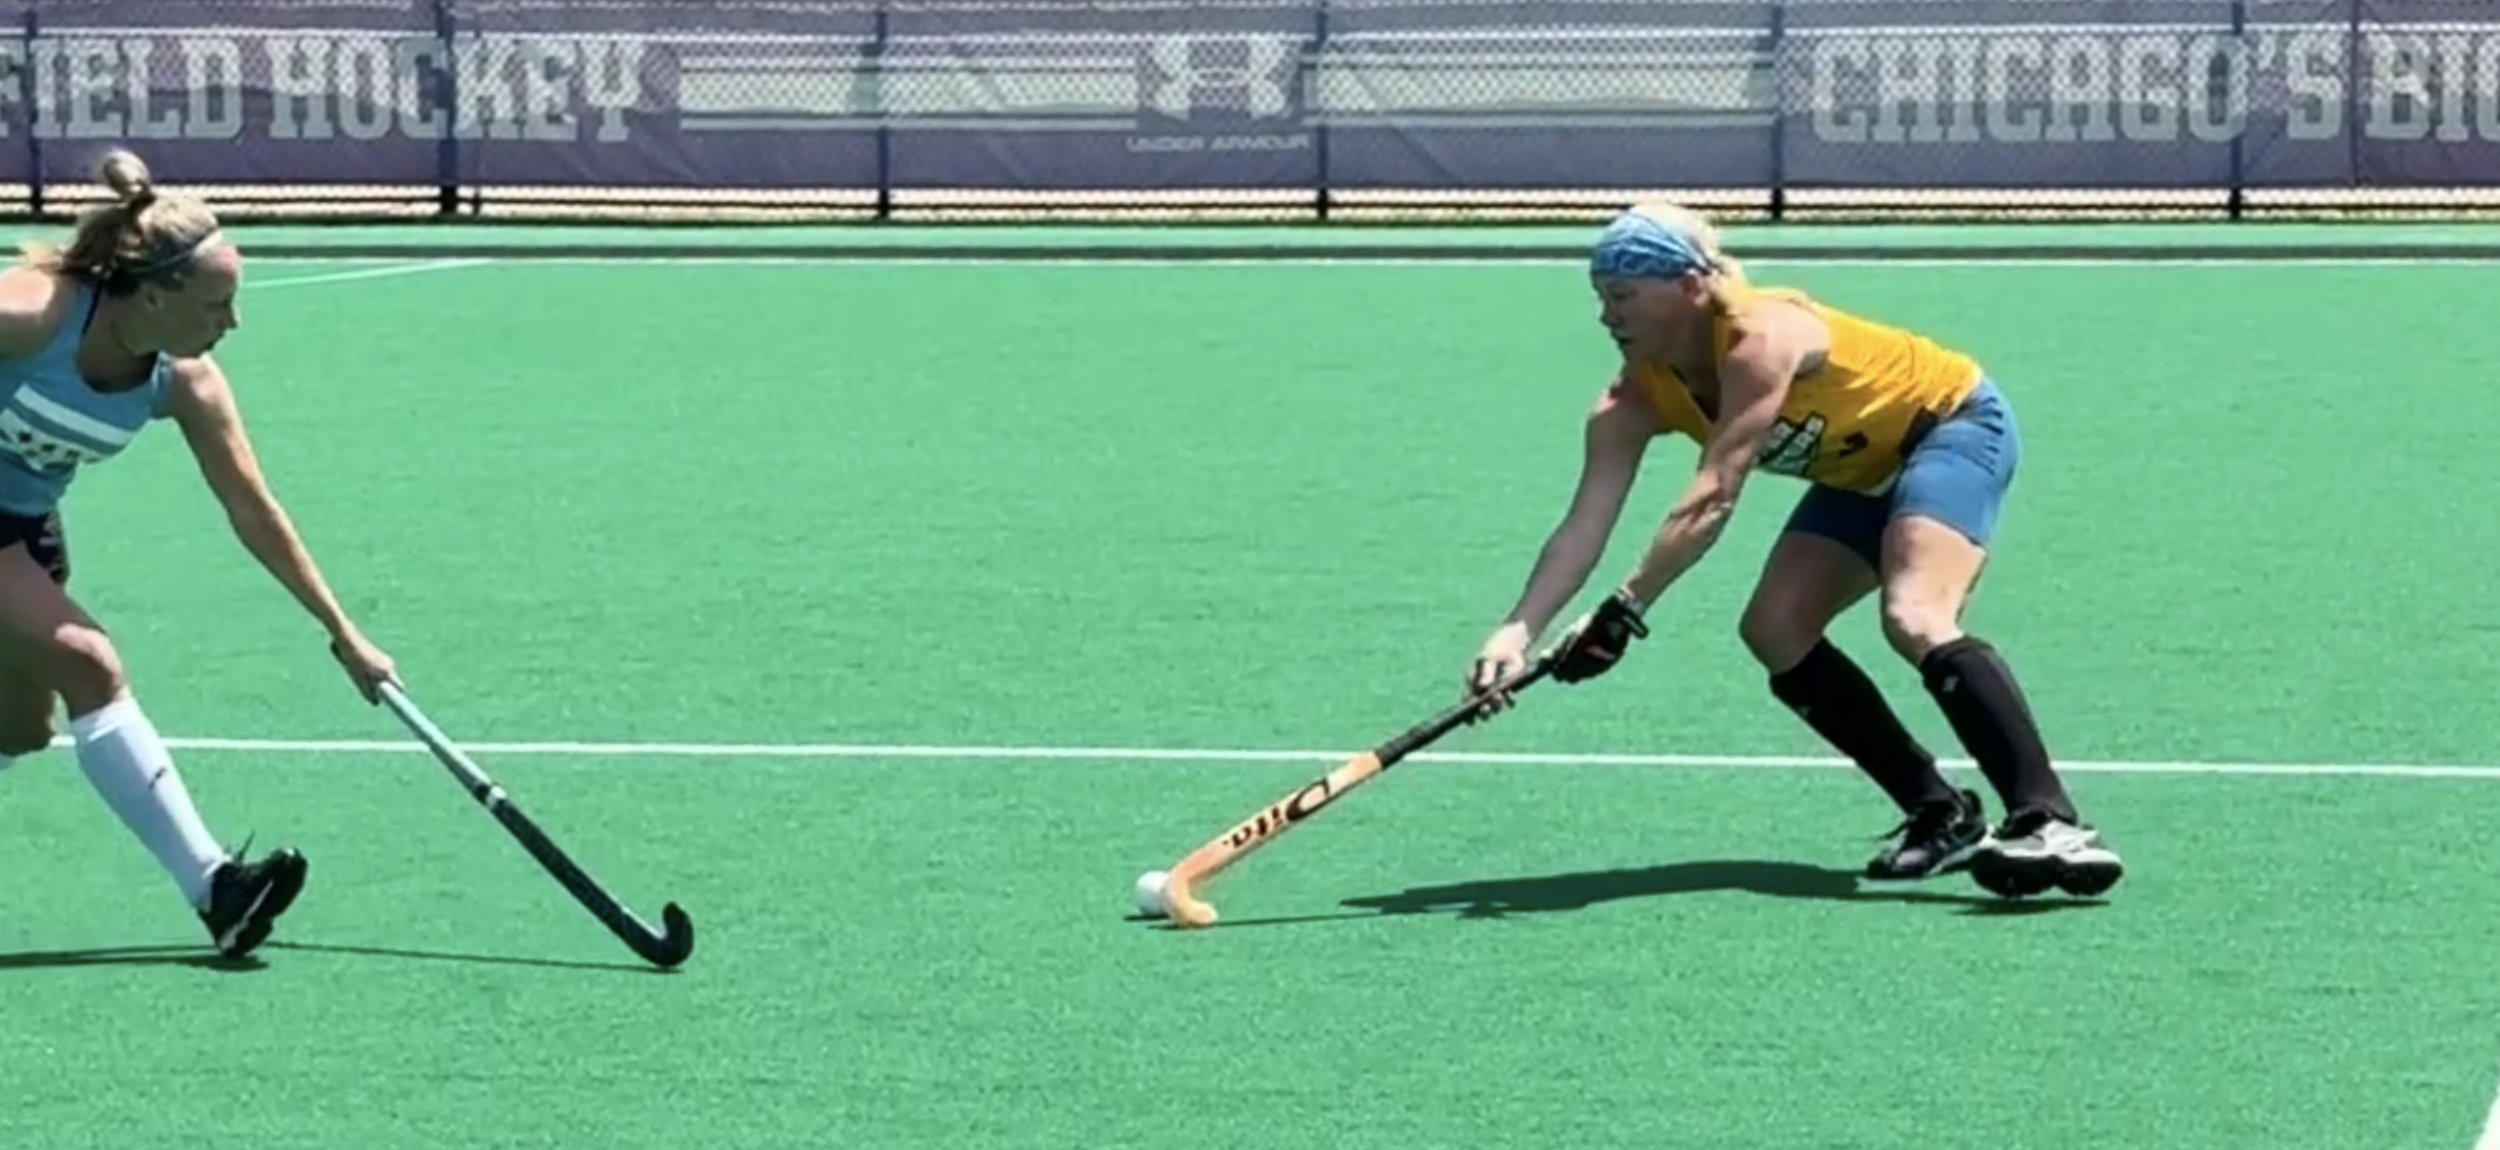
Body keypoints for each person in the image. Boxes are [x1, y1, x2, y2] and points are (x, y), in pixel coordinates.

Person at [1463, 202, 2121, 900]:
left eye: (1623, 295)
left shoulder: (1760, 336)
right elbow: (1582, 527)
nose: (1607, 316)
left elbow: (1715, 492)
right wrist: (1517, 628)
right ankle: (1941, 811)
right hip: (1859, 473)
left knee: (1915, 613)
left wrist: (1625, 609)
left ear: (1688, 287)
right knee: (1775, 629)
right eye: (1601, 298)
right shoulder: (1631, 399)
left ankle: (2049, 820)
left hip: (1948, 428)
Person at [0, 148, 399, 957]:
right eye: (219, 303)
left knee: (19, 728)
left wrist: (342, 631)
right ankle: (219, 891)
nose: (233, 322)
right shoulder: (36, 313)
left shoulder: (185, 382)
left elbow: (253, 511)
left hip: (25, 526)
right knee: (90, 664)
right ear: (152, 294)